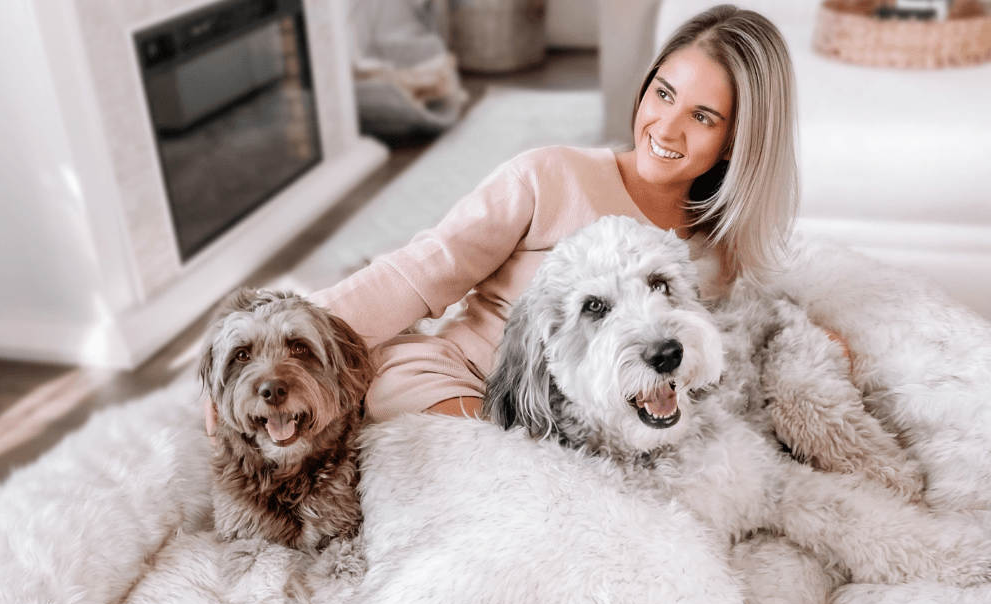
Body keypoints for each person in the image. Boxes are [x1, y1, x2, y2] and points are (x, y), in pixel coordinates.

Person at [206, 5, 798, 433]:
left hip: (593, 425)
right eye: (663, 94)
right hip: (457, 381)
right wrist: (272, 350)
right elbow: (422, 271)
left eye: (702, 115)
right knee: (491, 456)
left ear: (735, 142)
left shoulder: (717, 255)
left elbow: (737, 349)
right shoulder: (548, 176)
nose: (666, 127)